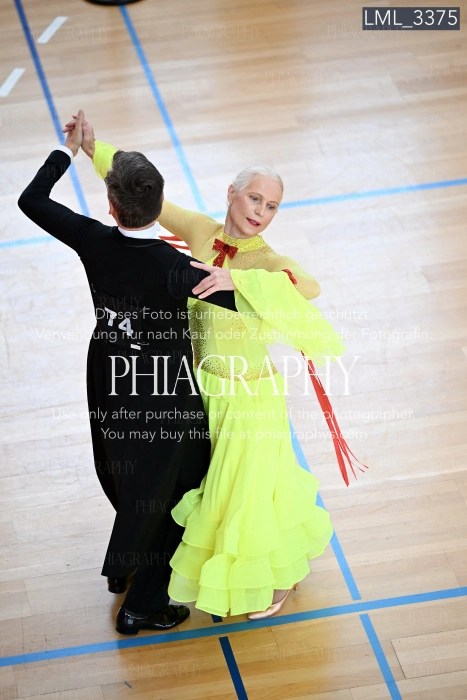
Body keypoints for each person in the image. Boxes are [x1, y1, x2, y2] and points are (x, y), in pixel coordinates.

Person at [75, 123, 346, 619]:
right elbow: (148, 196)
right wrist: (95, 148)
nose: (260, 212)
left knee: (248, 496)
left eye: (271, 206)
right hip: (200, 389)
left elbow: (308, 287)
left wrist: (238, 282)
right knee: (210, 491)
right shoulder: (202, 231)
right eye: (254, 198)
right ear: (231, 193)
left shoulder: (267, 262)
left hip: (247, 397)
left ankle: (277, 577)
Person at [17, 110, 241, 634]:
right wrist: (243, 277)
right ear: (160, 206)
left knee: (125, 470)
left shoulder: (93, 238)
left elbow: (31, 200)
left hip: (108, 375)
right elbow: (246, 304)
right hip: (163, 392)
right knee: (180, 486)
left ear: (112, 206)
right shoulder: (176, 268)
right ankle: (143, 603)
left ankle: (126, 563)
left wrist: (70, 149)